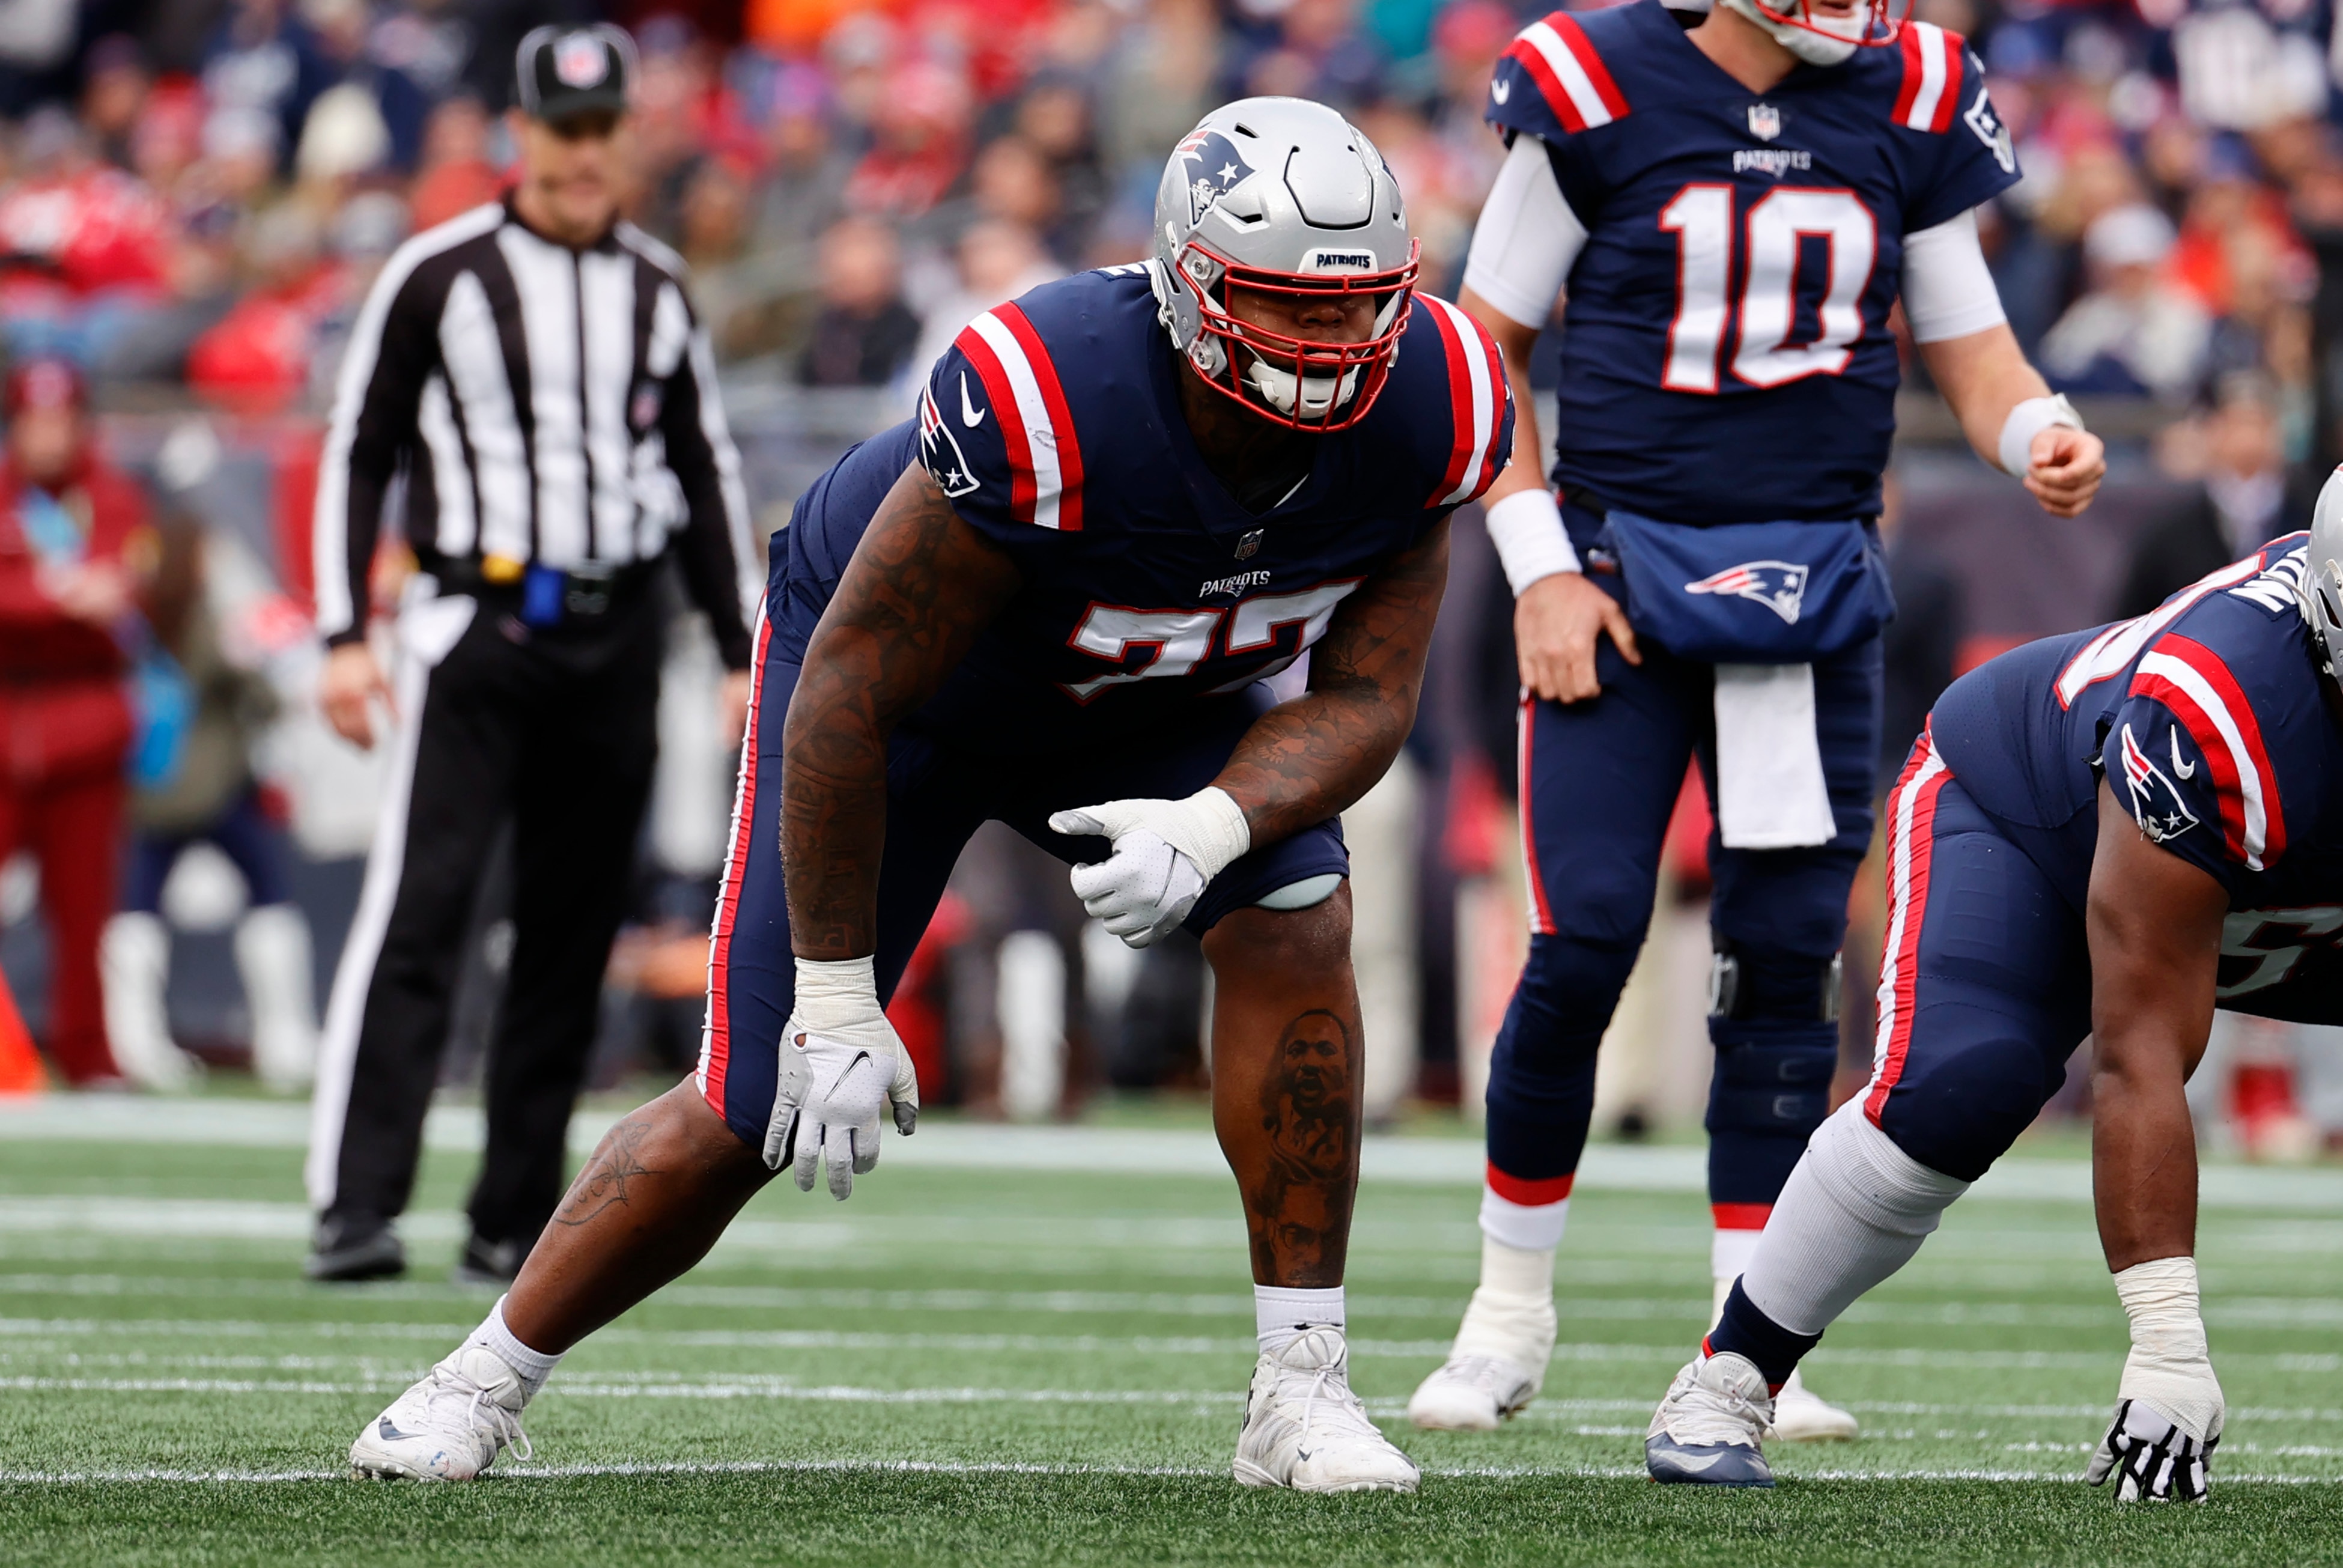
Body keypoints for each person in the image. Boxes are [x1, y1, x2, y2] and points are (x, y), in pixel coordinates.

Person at [345, 96, 1510, 1494]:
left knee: (1299, 915)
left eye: (1356, 310)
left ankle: (1301, 1388)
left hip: (1155, 703)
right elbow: (847, 686)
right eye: (1284, 308)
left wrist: (1214, 823)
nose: (1329, 354)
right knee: (752, 1093)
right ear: (1190, 284)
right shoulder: (1050, 383)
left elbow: (1372, 695)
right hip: (913, 698)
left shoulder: (1438, 400)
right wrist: (839, 999)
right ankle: (479, 1376)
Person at [1405, 0, 2108, 1441]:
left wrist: (2036, 428)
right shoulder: (1594, 84)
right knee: (1587, 931)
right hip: (1614, 578)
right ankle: (1506, 1309)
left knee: (1783, 959)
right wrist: (1539, 571)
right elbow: (1484, 357)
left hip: (1807, 586)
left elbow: (1973, 350)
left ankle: (1746, 1341)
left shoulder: (1903, 96)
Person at [1637, 482, 2343, 1498]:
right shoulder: (2217, 708)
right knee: (1965, 1082)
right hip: (2035, 819)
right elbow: (2140, 1043)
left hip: (2280, 888)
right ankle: (1731, 1376)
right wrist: (2168, 1348)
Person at [303, 25, 758, 1286]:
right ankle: (356, 1205)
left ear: (628, 135)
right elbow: (362, 447)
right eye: (561, 129)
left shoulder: (659, 290)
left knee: (571, 934)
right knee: (427, 910)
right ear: (520, 132)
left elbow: (705, 475)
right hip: (475, 626)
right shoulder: (439, 274)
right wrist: (347, 633)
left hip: (615, 638)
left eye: (602, 127)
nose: (580, 153)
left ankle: (512, 1216)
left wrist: (738, 650)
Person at [0, 358, 154, 1087]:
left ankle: (88, 1052)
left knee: (85, 907)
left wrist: (35, 593)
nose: (49, 435)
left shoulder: (111, 495)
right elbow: (66, 598)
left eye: (62, 419)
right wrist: (56, 597)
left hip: (85, 718)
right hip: (8, 713)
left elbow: (121, 592)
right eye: (35, 419)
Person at [2111, 371, 2305, 621]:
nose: (2247, 438)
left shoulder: (2310, 523)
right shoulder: (2171, 537)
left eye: (2259, 423)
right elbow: (2130, 625)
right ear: (2211, 430)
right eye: (2235, 423)